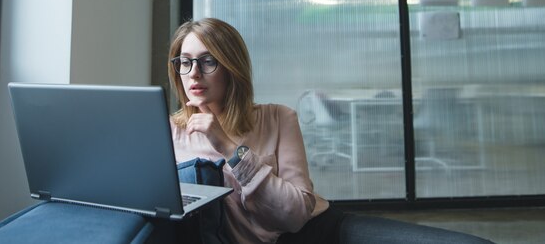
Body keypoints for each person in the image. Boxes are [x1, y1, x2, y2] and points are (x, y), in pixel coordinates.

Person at [167, 17, 494, 244]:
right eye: (184, 62)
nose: (193, 73)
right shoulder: (169, 134)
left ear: (231, 68)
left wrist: (229, 148)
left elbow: (295, 215)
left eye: (208, 61)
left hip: (318, 231)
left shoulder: (279, 118)